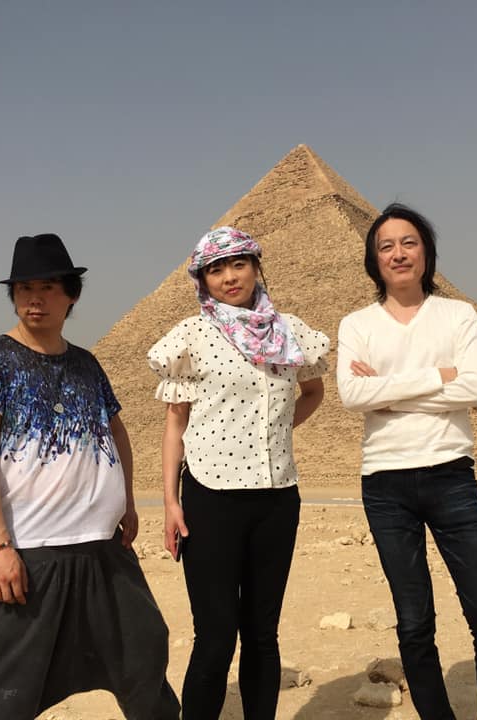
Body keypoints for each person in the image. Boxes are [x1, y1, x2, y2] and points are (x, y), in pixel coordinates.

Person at [0, 234, 179, 720]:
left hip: (103, 553)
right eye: (24, 287)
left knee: (145, 661)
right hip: (32, 555)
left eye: (49, 287)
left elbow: (116, 433)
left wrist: (127, 504)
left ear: (71, 295)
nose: (35, 298)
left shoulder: (87, 365)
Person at [337, 203, 477, 720]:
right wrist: (440, 376)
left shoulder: (458, 314)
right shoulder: (356, 323)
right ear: (374, 260)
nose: (398, 253)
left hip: (451, 476)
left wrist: (387, 392)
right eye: (386, 246)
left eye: (409, 242)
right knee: (414, 621)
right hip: (385, 483)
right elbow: (352, 394)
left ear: (426, 251)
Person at [148, 227, 328, 720]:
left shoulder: (290, 330)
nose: (229, 277)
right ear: (203, 279)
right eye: (215, 269)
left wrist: (274, 429)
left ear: (256, 266)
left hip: (277, 497)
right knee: (215, 636)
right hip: (211, 496)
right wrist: (170, 500)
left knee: (263, 635)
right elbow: (175, 423)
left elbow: (312, 392)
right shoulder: (192, 335)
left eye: (238, 264)